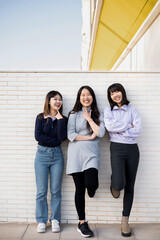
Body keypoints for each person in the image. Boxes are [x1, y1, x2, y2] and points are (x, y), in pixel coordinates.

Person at [66, 86, 105, 238]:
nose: (86, 97)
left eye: (88, 95)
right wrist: (88, 137)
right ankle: (82, 223)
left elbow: (100, 133)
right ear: (79, 97)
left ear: (93, 97)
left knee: (91, 183)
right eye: (83, 95)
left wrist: (89, 118)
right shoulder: (74, 114)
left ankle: (92, 188)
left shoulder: (98, 114)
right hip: (75, 154)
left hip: (91, 155)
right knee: (79, 189)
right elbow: (70, 134)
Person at [104, 83, 142, 237]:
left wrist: (120, 130)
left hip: (132, 149)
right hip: (117, 148)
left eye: (117, 91)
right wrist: (128, 127)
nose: (115, 95)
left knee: (130, 186)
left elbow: (137, 130)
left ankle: (125, 220)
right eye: (112, 93)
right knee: (120, 183)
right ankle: (115, 182)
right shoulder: (108, 110)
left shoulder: (133, 110)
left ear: (122, 92)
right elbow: (109, 126)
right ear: (110, 96)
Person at [34, 90, 67, 233]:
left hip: (57, 156)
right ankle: (41, 220)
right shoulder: (40, 117)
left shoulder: (63, 119)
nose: (58, 101)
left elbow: (62, 138)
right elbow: (38, 137)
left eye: (60, 99)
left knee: (56, 191)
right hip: (41, 156)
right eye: (55, 99)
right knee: (41, 191)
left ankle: (55, 220)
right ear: (48, 101)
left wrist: (59, 120)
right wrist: (55, 140)